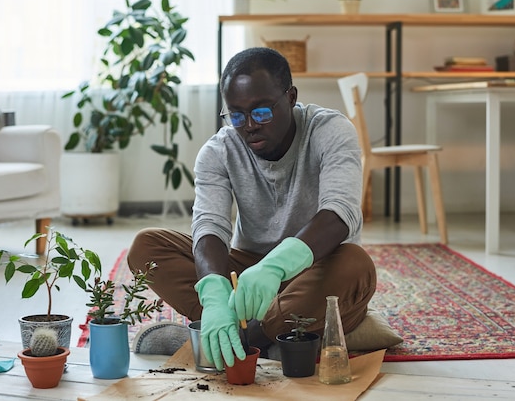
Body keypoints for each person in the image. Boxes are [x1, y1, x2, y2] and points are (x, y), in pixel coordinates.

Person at [127, 47, 377, 370]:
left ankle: (221, 341)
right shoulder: (218, 152)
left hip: (316, 269)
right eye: (236, 115)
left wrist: (275, 267)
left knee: (356, 266)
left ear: (290, 97)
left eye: (261, 113)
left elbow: (340, 213)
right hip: (243, 278)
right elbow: (209, 227)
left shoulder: (330, 130)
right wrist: (215, 295)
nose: (249, 126)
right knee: (146, 247)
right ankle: (249, 334)